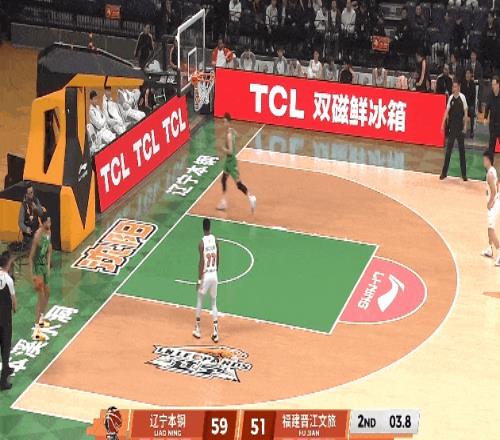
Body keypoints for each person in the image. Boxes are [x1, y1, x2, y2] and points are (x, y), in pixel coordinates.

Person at [217, 113, 257, 213]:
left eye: (224, 121)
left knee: (238, 184)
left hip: (231, 162)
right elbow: (238, 136)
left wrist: (223, 149)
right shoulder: (231, 131)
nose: (223, 123)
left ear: (228, 121)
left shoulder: (229, 135)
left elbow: (230, 151)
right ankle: (223, 202)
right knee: (223, 179)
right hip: (228, 161)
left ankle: (251, 197)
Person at [193, 218, 220, 342]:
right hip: (214, 274)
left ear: (203, 228)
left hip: (206, 275)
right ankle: (216, 332)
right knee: (214, 303)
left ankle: (198, 329)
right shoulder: (215, 240)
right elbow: (218, 257)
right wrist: (216, 270)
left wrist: (199, 280)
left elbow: (202, 262)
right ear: (210, 227)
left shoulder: (201, 243)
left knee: (199, 300)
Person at [29, 212, 52, 342]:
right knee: (41, 298)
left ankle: (41, 320)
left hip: (44, 268)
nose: (49, 224)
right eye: (47, 222)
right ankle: (36, 332)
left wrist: (48, 264)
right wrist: (32, 275)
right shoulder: (37, 236)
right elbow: (31, 258)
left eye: (50, 221)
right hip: (38, 268)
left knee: (48, 294)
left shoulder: (49, 232)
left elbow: (49, 249)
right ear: (42, 223)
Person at [440, 79, 468, 181]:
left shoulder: (462, 97)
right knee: (448, 151)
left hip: (460, 128)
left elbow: (466, 112)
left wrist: (465, 126)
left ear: (459, 87)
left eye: (455, 86)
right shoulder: (451, 98)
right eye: (453, 86)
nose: (454, 88)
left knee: (462, 152)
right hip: (452, 128)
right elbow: (446, 112)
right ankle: (444, 173)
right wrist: (442, 124)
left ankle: (464, 175)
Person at [481, 150, 500, 266]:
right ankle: (489, 249)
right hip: (496, 202)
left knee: (491, 230)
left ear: (488, 160)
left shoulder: (490, 174)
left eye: (484, 160)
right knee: (489, 228)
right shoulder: (493, 170)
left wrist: (490, 203)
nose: (483, 162)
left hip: (493, 204)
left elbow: (493, 190)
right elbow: (497, 185)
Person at [0, 252, 16, 391]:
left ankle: (7, 368)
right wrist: (14, 308)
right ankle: (3, 381)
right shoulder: (8, 279)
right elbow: (13, 299)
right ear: (8, 264)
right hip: (4, 319)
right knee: (5, 347)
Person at [18, 182, 43, 248]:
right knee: (31, 248)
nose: (32, 194)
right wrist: (26, 229)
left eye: (32, 192)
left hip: (36, 233)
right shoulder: (24, 205)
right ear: (26, 194)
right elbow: (20, 222)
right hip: (28, 236)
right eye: (30, 193)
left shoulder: (36, 201)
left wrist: (36, 208)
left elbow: (41, 214)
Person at [484, 76, 500, 157]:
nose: (493, 86)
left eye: (494, 84)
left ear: (498, 85)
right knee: (491, 146)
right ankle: (490, 162)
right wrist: (485, 117)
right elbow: (487, 107)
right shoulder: (490, 95)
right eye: (492, 84)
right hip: (493, 124)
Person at [462, 69, 476, 138]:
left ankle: (472, 131)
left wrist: (467, 104)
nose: (467, 75)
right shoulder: (463, 83)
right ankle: (459, 129)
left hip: (470, 104)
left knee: (472, 111)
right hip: (463, 104)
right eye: (466, 73)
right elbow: (462, 94)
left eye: (468, 73)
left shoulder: (473, 84)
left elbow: (472, 96)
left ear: (471, 75)